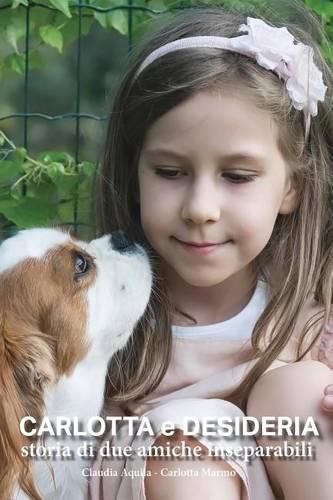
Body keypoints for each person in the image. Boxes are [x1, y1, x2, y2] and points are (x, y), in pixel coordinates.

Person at [89, 3, 333, 499]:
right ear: (134, 175)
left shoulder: (312, 324)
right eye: (170, 172)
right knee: (189, 445)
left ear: (294, 187)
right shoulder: (96, 314)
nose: (200, 209)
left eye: (237, 177)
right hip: (154, 479)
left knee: (304, 392)